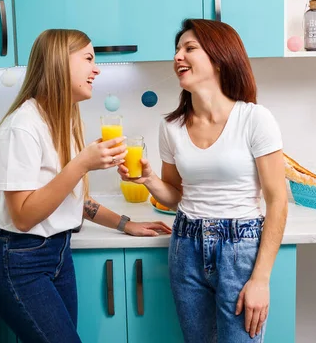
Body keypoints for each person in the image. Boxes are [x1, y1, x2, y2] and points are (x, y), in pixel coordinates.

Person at [0, 29, 172, 343]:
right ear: (59, 63)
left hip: (58, 255)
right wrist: (81, 164)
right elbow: (23, 217)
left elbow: (69, 198)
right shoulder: (21, 129)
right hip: (20, 261)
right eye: (88, 58)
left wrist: (126, 224)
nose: (96, 69)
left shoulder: (60, 121)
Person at [119, 19, 288, 342]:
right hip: (186, 245)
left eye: (189, 48)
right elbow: (175, 196)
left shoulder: (254, 119)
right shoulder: (171, 127)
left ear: (220, 57)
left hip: (241, 247)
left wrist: (260, 279)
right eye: (177, 50)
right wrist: (149, 179)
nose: (178, 57)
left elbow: (277, 200)